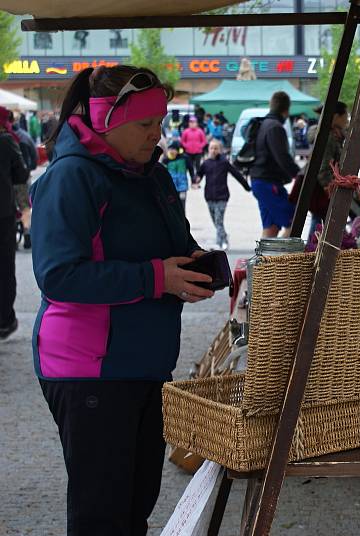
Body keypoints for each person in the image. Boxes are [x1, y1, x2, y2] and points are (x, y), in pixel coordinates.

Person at [30, 65, 213, 534]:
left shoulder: (151, 176)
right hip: (89, 369)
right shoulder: (71, 177)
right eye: (145, 125)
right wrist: (157, 278)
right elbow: (59, 276)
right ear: (108, 121)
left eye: (160, 122)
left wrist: (195, 268)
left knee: (135, 506)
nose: (158, 134)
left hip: (144, 364)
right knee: (102, 514)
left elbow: (173, 248)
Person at [292, 101, 349, 241]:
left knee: (320, 220)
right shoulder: (328, 136)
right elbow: (323, 168)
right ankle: (311, 252)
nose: (347, 119)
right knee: (320, 220)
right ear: (336, 116)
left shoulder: (332, 134)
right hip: (320, 186)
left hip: (318, 184)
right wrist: (330, 190)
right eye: (346, 116)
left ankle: (312, 251)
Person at [250, 91, 300, 238]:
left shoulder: (263, 124)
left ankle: (261, 261)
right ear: (286, 110)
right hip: (269, 183)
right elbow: (282, 157)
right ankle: (280, 261)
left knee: (271, 228)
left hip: (258, 182)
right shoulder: (275, 127)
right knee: (294, 222)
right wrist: (299, 175)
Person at [0, 105, 29, 339]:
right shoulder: (6, 141)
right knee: (4, 267)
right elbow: (21, 174)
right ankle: (4, 319)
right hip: (3, 214)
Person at [196, 139, 250, 250]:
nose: (213, 150)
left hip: (222, 196)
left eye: (216, 148)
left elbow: (237, 174)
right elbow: (198, 175)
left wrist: (246, 186)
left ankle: (220, 243)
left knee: (218, 220)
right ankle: (224, 237)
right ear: (208, 149)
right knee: (215, 220)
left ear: (220, 150)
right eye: (211, 148)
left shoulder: (224, 163)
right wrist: (195, 181)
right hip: (209, 197)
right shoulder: (206, 164)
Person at [12, 121, 37, 249]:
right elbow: (34, 155)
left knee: (11, 208)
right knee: (25, 208)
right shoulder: (24, 136)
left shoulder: (6, 137)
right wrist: (30, 168)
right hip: (22, 180)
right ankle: (27, 236)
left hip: (7, 181)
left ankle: (13, 238)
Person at [161, 141, 195, 210]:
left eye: (173, 149)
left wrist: (193, 180)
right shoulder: (166, 160)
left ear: (178, 150)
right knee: (172, 206)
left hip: (182, 186)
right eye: (170, 149)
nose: (171, 151)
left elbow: (191, 169)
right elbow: (162, 173)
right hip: (171, 187)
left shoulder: (184, 158)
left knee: (182, 205)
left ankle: (182, 219)